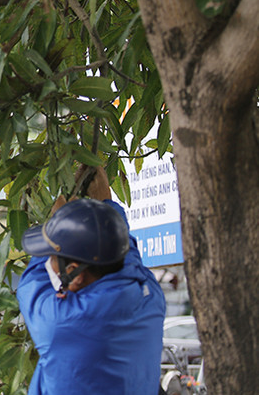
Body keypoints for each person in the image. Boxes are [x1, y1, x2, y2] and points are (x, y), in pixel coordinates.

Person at [17, 166, 166, 394]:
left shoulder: (62, 322)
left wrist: (59, 223)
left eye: (52, 257)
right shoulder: (149, 295)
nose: (48, 262)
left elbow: (31, 283)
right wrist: (103, 209)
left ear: (75, 274)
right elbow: (125, 253)